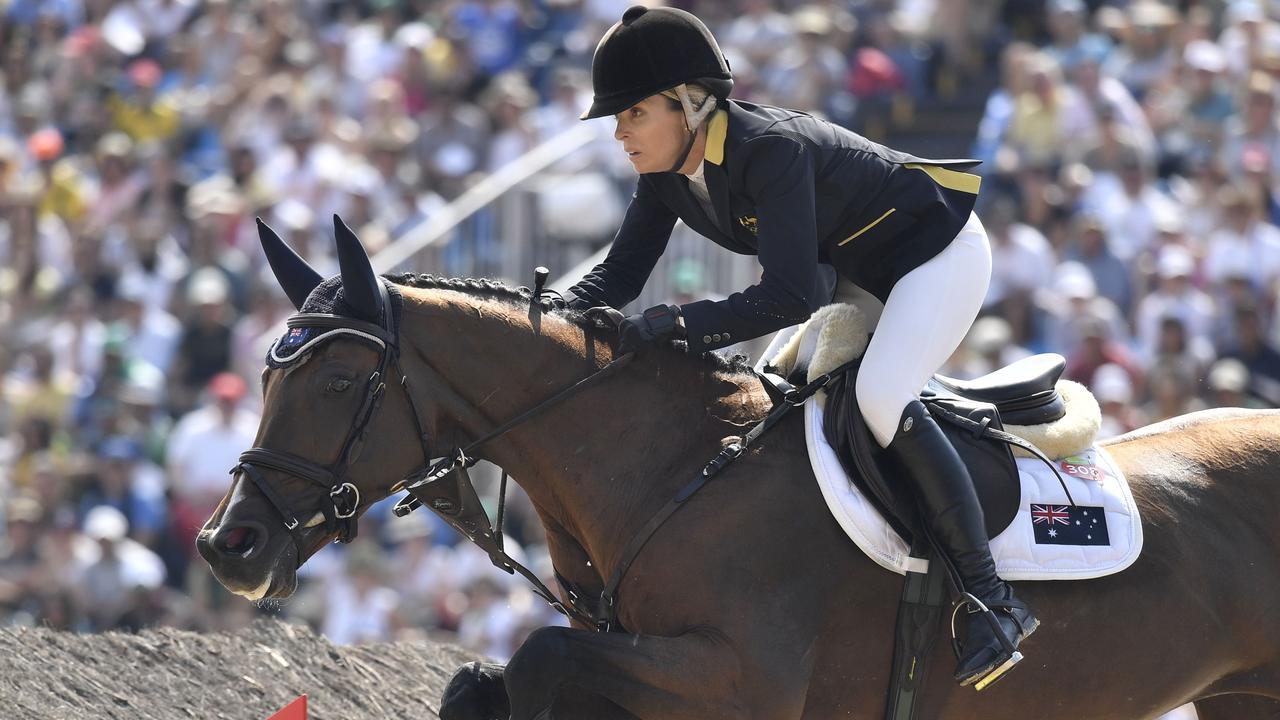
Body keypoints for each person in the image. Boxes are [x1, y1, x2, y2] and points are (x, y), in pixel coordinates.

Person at [562, 5, 1033, 689]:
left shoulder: (768, 147)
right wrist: (541, 312)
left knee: (878, 394)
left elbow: (789, 296)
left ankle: (993, 600)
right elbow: (620, 277)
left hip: (936, 254)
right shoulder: (666, 172)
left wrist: (684, 325)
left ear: (689, 104)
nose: (618, 132)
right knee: (775, 399)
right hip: (862, 271)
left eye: (632, 113)